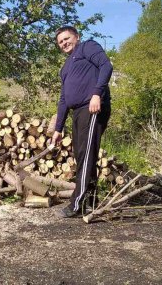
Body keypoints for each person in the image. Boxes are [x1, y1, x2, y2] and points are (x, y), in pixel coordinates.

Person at [51, 26, 113, 218]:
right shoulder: (66, 67)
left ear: (76, 37)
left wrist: (96, 94)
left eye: (67, 38)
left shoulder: (87, 47)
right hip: (77, 113)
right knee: (83, 156)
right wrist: (58, 128)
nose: (64, 43)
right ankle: (91, 202)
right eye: (60, 42)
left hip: (92, 107)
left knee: (86, 155)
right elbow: (63, 99)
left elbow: (106, 66)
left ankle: (76, 204)